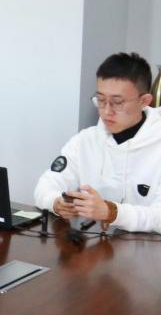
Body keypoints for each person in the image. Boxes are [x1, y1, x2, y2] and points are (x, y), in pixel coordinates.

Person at [34, 52, 161, 231]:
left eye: (117, 102)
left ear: (144, 101)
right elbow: (44, 187)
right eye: (101, 100)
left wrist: (112, 212)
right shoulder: (84, 141)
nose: (106, 111)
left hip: (146, 247)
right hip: (92, 245)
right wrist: (56, 202)